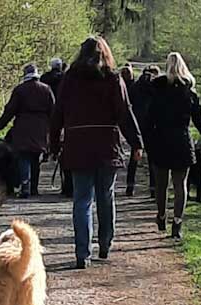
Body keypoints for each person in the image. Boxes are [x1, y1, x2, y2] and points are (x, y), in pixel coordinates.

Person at [49, 36, 143, 269]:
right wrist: (136, 142)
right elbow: (124, 112)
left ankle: (83, 252)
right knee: (105, 197)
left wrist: (53, 144)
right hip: (106, 146)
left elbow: (57, 112)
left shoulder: (70, 79)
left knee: (82, 200)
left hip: (78, 146)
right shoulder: (113, 79)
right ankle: (105, 244)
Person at [147, 52, 201, 240]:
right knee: (180, 184)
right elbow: (199, 118)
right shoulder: (189, 93)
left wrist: (148, 138)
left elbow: (150, 117)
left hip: (161, 140)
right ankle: (177, 222)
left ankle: (161, 215)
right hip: (182, 140)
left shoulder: (158, 90)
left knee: (161, 184)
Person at [0, 63, 56, 198]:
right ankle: (34, 188)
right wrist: (55, 130)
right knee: (35, 158)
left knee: (23, 157)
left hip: (23, 127)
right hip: (41, 128)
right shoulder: (46, 89)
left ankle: (25, 187)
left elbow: (10, 110)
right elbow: (53, 111)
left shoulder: (20, 90)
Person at [125, 65, 161, 197]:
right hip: (152, 125)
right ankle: (153, 188)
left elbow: (129, 104)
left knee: (134, 155)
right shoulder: (156, 87)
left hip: (137, 124)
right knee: (152, 158)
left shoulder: (135, 86)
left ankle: (130, 185)